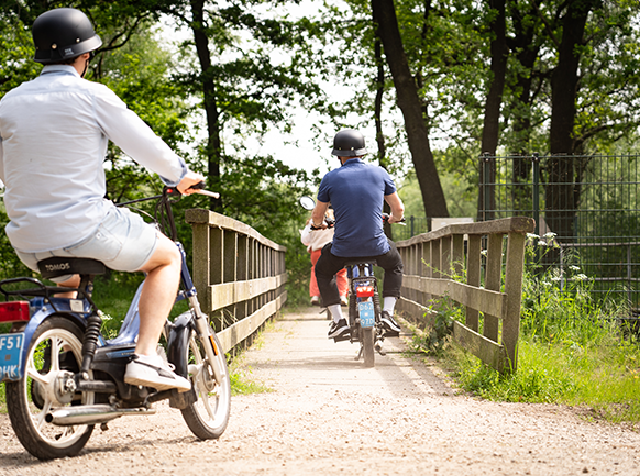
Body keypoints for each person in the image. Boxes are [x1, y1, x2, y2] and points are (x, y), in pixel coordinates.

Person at [0, 8, 203, 392]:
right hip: (85, 227)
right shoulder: (90, 95)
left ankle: (69, 356)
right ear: (84, 57)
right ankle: (144, 356)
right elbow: (143, 143)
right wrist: (179, 175)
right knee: (168, 256)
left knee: (68, 279)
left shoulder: (9, 102)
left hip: (27, 238)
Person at [311, 129, 405, 340]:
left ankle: (338, 322)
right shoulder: (380, 173)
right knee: (394, 264)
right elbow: (398, 209)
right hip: (377, 247)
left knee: (323, 271)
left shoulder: (330, 178)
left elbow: (317, 214)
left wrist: (319, 224)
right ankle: (388, 314)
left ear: (338, 155)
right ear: (363, 153)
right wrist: (394, 218)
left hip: (343, 249)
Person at [300, 209, 348, 307]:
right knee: (341, 271)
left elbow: (304, 239)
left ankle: (315, 296)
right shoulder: (337, 220)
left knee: (315, 270)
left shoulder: (312, 222)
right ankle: (342, 296)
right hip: (334, 251)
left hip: (317, 252)